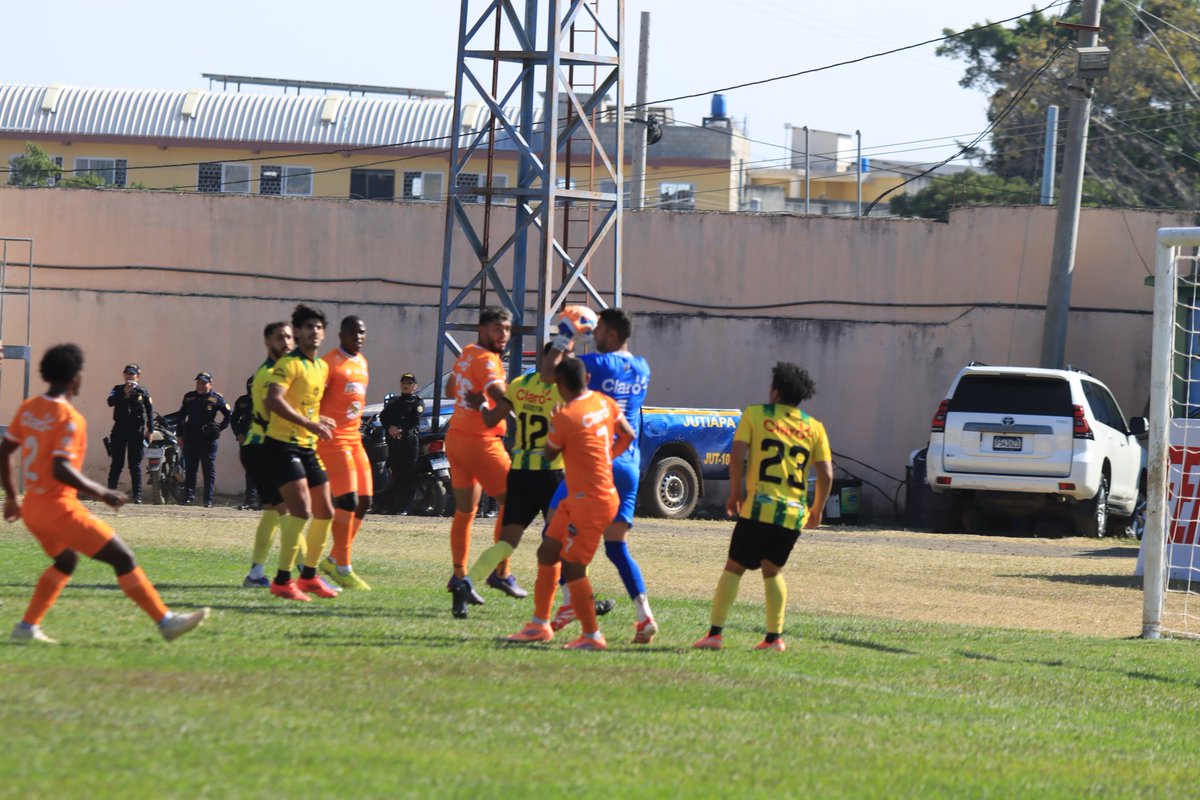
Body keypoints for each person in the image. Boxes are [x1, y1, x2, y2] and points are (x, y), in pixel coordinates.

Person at [1, 343, 210, 644]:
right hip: (60, 509)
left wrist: (10, 496)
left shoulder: (30, 408)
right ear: (75, 377)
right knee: (123, 557)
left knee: (66, 562)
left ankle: (26, 628)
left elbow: (5, 451)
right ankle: (166, 622)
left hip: (33, 508)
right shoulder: (70, 418)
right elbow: (61, 468)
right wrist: (102, 492)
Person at [692, 362, 833, 653]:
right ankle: (774, 638)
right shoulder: (814, 427)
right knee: (773, 570)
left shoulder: (755, 415)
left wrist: (734, 493)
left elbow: (737, 454)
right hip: (793, 513)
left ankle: (715, 634)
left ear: (776, 390)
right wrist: (817, 510)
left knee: (734, 567)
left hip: (760, 507)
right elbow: (827, 474)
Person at [545, 307, 659, 643]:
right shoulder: (643, 367)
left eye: (597, 332)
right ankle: (644, 616)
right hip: (629, 463)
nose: (592, 337)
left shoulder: (597, 364)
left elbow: (549, 372)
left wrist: (565, 334)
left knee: (554, 527)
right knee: (616, 547)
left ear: (611, 334)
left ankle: (568, 601)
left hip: (596, 461)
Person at [505, 356, 634, 650]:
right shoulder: (603, 402)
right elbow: (628, 434)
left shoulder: (565, 415)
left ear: (561, 385)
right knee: (548, 550)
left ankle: (592, 636)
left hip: (591, 501)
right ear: (586, 378)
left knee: (574, 568)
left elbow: (550, 454)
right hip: (577, 497)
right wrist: (607, 458)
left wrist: (556, 421)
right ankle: (540, 625)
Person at [263, 304, 339, 602]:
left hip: (306, 446)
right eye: (308, 327)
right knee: (301, 512)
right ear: (297, 332)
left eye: (319, 327)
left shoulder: (320, 367)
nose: (314, 331)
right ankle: (282, 580)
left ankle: (308, 577)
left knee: (326, 512)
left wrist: (317, 419)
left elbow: (304, 403)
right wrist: (309, 421)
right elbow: (273, 400)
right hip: (281, 446)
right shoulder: (288, 364)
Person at [442, 306, 515, 592]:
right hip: (481, 441)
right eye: (498, 329)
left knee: (465, 511)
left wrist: (475, 395)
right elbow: (503, 397)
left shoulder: (468, 352)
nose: (504, 335)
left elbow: (450, 389)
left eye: (507, 329)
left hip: (457, 438)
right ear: (482, 329)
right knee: (515, 503)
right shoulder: (486, 360)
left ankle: (459, 574)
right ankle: (501, 571)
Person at [315, 316, 374, 591]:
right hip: (333, 440)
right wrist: (315, 422)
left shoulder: (362, 362)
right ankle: (343, 566)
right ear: (341, 334)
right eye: (353, 332)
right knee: (347, 501)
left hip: (355, 439)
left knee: (364, 501)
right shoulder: (329, 363)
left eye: (362, 332)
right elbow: (313, 397)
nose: (358, 337)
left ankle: (334, 557)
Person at [240, 321, 296, 588]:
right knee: (291, 510)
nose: (286, 341)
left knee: (274, 512)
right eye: (279, 337)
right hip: (263, 446)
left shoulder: (284, 370)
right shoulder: (271, 374)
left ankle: (255, 573)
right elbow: (276, 414)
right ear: (268, 343)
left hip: (271, 444)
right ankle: (308, 574)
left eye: (289, 336)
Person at [175, 371, 231, 507]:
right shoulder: (189, 397)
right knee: (190, 469)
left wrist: (219, 428)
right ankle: (189, 497)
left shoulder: (216, 398)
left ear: (210, 384)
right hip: (191, 438)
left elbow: (229, 415)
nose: (200, 385)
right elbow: (181, 417)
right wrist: (179, 435)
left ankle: (208, 500)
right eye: (198, 383)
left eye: (203, 383)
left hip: (208, 439)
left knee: (208, 469)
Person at [106, 363, 154, 504]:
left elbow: (150, 411)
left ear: (138, 377)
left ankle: (137, 495)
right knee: (117, 463)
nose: (129, 376)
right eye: (127, 373)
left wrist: (150, 430)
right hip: (119, 429)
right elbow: (110, 402)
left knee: (134, 464)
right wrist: (125, 394)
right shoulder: (117, 389)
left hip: (136, 431)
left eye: (132, 374)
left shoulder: (143, 392)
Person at [379, 372, 423, 514]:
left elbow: (414, 420)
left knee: (408, 473)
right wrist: (390, 427)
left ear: (415, 386)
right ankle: (394, 504)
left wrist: (400, 428)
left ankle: (407, 505)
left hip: (408, 441)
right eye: (403, 383)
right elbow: (384, 416)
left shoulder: (417, 402)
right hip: (394, 442)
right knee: (395, 471)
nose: (406, 386)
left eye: (409, 383)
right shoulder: (394, 402)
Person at [230, 376, 258, 510]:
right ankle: (250, 501)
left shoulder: (266, 400)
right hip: (246, 439)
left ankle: (263, 502)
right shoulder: (242, 401)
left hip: (263, 440)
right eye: (250, 386)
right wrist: (238, 434)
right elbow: (234, 420)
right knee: (250, 471)